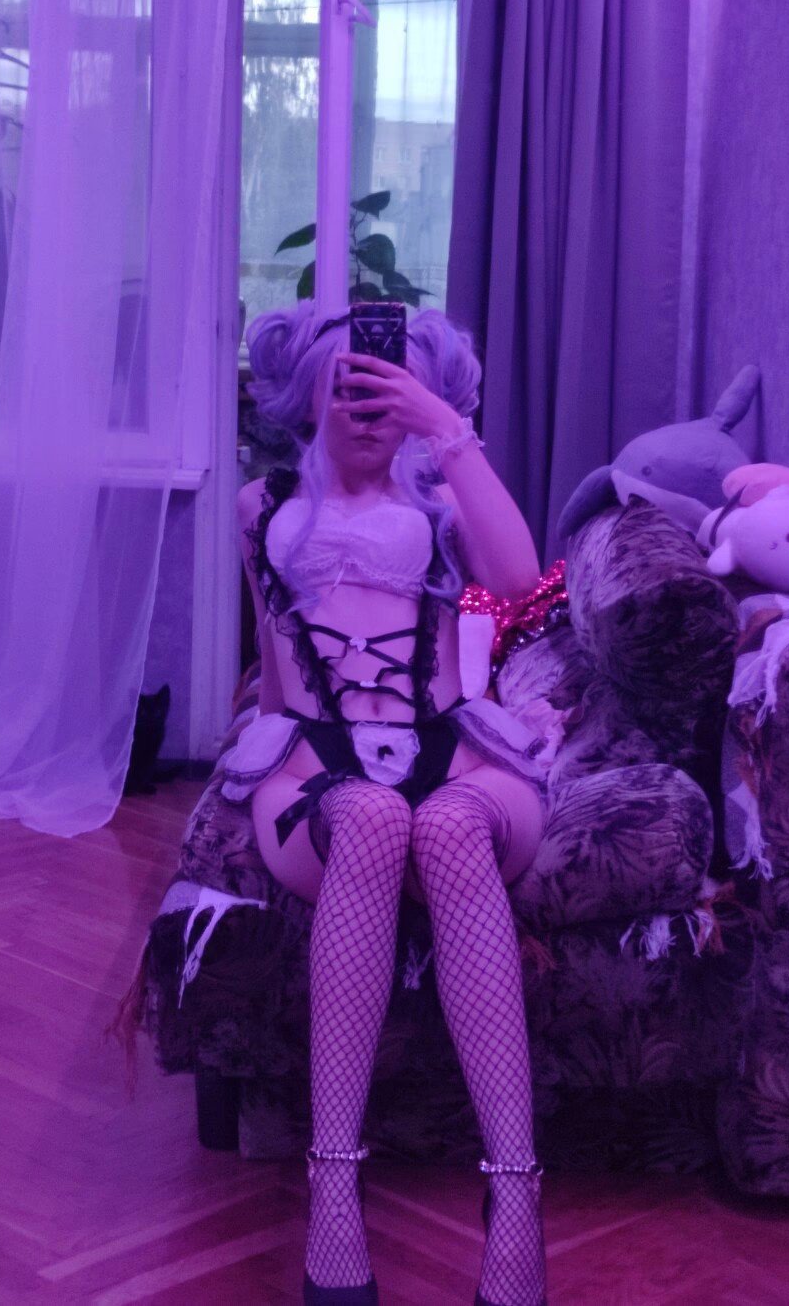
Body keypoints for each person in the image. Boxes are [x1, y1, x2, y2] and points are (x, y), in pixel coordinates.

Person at [226, 301, 549, 1306]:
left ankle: (516, 1193)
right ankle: (334, 1185)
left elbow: (519, 580)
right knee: (369, 816)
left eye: (391, 385)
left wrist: (443, 427)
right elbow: (274, 659)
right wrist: (253, 759)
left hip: (457, 755)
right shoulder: (261, 506)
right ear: (311, 392)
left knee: (443, 826)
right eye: (351, 382)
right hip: (317, 769)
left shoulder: (447, 500)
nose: (370, 403)